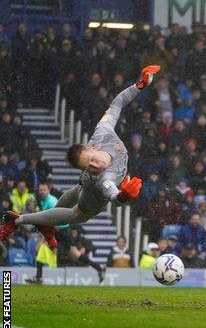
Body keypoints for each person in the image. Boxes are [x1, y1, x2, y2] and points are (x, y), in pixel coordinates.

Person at [1, 65, 161, 248]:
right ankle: (17, 220)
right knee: (79, 214)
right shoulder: (103, 179)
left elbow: (117, 103)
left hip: (84, 184)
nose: (95, 164)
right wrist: (124, 196)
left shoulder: (102, 132)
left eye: (91, 159)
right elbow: (114, 199)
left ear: (91, 147)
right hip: (92, 195)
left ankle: (47, 227)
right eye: (89, 166)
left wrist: (139, 85)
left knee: (77, 189)